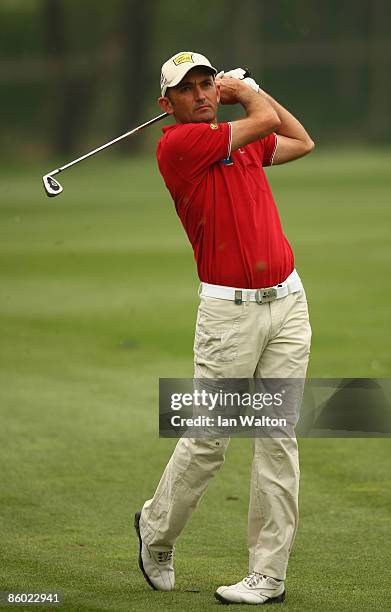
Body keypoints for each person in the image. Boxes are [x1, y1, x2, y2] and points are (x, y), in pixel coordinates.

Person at [134, 51, 314, 605]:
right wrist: (245, 90)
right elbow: (261, 121)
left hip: (287, 300)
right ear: (168, 105)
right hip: (229, 315)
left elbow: (299, 139)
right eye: (188, 90)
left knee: (277, 440)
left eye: (208, 83)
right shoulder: (178, 145)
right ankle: (156, 532)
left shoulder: (237, 138)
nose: (203, 94)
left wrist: (248, 88)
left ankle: (268, 575)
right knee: (210, 440)